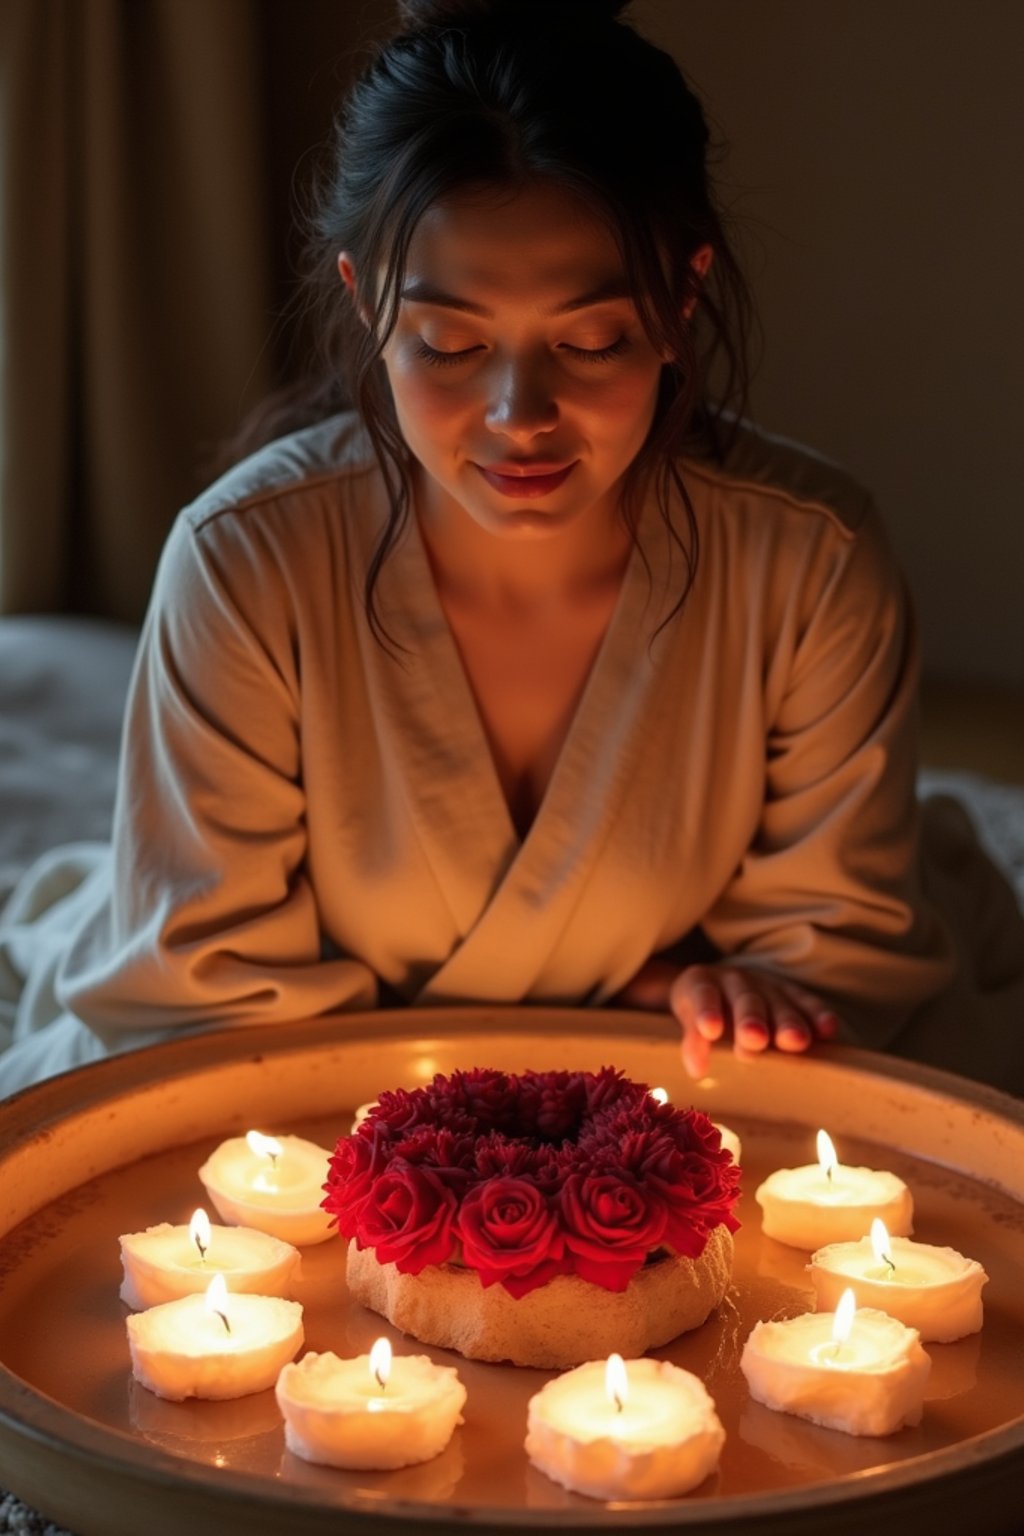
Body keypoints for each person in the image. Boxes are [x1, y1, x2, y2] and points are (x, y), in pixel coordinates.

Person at [0, 0, 1022, 1099]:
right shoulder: (245, 563)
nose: (518, 415)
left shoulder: (810, 562)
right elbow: (204, 995)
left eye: (591, 341)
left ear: (681, 299)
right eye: (449, 344)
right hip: (318, 1082)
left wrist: (743, 993)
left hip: (673, 1089)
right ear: (367, 301)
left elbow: (832, 952)